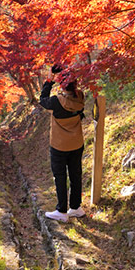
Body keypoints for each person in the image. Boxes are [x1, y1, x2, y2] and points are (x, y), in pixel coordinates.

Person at [39, 66, 86, 222]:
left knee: (60, 176)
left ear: (61, 85)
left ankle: (62, 211)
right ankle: (76, 208)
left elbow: (42, 99)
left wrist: (49, 78)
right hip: (77, 143)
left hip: (59, 145)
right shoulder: (80, 97)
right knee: (75, 174)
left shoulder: (55, 101)